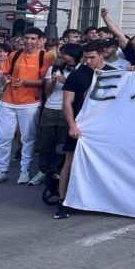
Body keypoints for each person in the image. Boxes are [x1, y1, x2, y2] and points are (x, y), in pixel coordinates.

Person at [0, 27, 51, 186]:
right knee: (2, 137)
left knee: (28, 138)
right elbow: (6, 72)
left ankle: (25, 170)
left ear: (40, 40)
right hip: (7, 101)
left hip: (30, 102)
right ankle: (2, 170)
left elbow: (46, 81)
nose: (29, 41)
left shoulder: (45, 57)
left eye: (33, 38)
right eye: (26, 38)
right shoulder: (14, 54)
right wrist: (6, 78)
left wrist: (27, 82)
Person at [58, 43, 116, 219]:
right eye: (86, 57)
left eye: (92, 57)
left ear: (102, 55)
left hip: (104, 128)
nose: (89, 61)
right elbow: (67, 102)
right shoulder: (77, 75)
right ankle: (62, 201)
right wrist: (72, 125)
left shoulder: (114, 72)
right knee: (69, 161)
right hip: (81, 126)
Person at [30, 43, 82, 186]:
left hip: (69, 110)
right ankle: (43, 170)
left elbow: (81, 93)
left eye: (65, 54)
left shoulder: (81, 70)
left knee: (63, 144)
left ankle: (59, 172)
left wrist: (67, 82)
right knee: (46, 142)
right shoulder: (54, 68)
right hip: (50, 108)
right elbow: (47, 91)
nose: (62, 56)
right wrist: (52, 81)